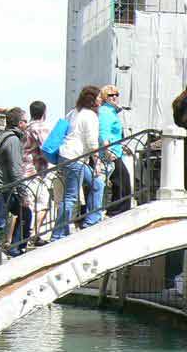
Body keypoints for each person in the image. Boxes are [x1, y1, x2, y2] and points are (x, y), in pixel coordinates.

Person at [51, 86, 105, 240]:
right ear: (93, 100)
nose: (101, 100)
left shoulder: (73, 112)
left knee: (97, 184)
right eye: (99, 97)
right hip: (74, 158)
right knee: (71, 197)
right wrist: (97, 163)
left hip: (67, 156)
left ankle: (92, 220)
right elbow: (92, 142)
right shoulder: (90, 116)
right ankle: (58, 234)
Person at [0, 107, 28, 256]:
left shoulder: (3, 136)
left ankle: (14, 248)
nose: (27, 124)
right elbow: (15, 170)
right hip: (2, 187)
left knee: (24, 214)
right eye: (25, 121)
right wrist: (23, 194)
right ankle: (12, 249)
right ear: (20, 123)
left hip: (2, 186)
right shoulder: (13, 140)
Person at [21, 101, 52, 246]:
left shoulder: (26, 127)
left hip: (25, 169)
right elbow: (47, 147)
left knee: (29, 205)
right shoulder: (40, 127)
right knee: (43, 204)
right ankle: (34, 235)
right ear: (44, 112)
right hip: (36, 170)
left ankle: (25, 238)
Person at [98, 85, 131, 216]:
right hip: (110, 153)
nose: (115, 97)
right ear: (105, 98)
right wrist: (107, 150)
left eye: (116, 95)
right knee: (122, 181)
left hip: (116, 151)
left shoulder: (112, 112)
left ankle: (117, 209)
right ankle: (117, 210)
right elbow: (103, 133)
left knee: (121, 181)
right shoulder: (105, 112)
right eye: (111, 95)